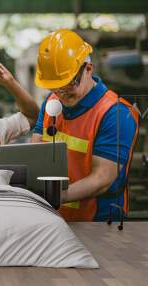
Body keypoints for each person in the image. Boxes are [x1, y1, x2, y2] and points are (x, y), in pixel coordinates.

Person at [31, 29, 139, 221]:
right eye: (55, 86)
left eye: (68, 84)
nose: (61, 94)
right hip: (54, 218)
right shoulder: (51, 102)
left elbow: (101, 180)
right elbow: (35, 156)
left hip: (98, 223)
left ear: (88, 68)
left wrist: (53, 197)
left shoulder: (117, 113)